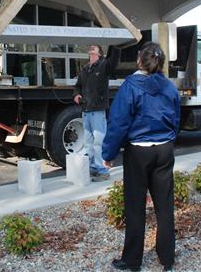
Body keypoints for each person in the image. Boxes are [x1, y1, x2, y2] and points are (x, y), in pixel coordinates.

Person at [102, 42, 180, 272]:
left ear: (139, 61)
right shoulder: (169, 86)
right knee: (164, 206)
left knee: (135, 206)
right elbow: (175, 116)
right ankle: (167, 259)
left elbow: (119, 122)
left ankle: (133, 260)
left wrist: (109, 154)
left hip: (139, 151)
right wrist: (168, 139)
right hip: (164, 148)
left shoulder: (130, 86)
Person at [73, 44, 120, 181]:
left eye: (94, 49)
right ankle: (93, 168)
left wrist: (116, 45)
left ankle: (102, 170)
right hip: (86, 110)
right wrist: (76, 95)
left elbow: (113, 62)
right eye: (90, 49)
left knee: (98, 142)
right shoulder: (85, 69)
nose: (91, 50)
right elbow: (77, 86)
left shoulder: (104, 66)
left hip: (98, 110)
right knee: (88, 142)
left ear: (100, 54)